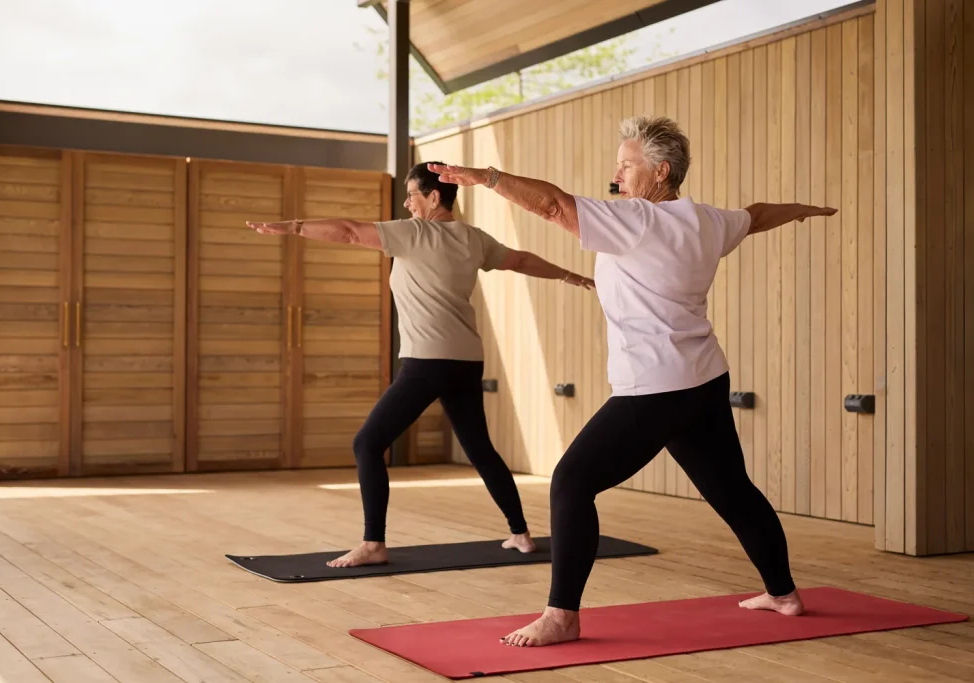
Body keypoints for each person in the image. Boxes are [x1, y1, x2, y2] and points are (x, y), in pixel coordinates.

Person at [430, 115, 837, 647]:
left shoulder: (639, 221)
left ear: (660, 173)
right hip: (704, 377)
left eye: (626, 165)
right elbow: (757, 215)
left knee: (572, 482)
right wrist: (803, 211)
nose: (616, 173)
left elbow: (552, 204)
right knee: (731, 489)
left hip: (657, 384)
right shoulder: (707, 220)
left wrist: (487, 177)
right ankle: (783, 594)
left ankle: (561, 616)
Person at [246, 161, 595, 569]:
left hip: (426, 360)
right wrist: (573, 277)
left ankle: (373, 543)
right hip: (466, 359)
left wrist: (294, 226)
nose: (407, 203)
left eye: (412, 194)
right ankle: (520, 534)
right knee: (480, 449)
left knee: (367, 443)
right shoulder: (473, 239)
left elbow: (347, 230)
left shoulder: (413, 234)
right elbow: (519, 260)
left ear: (434, 197)